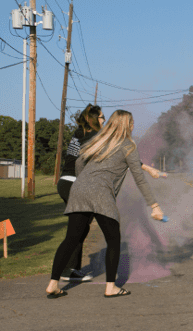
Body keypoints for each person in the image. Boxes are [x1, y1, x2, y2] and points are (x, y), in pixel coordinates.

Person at [46, 110, 164, 299]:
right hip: (100, 192)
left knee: (71, 238)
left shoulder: (99, 141)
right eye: (132, 123)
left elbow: (78, 163)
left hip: (79, 188)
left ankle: (53, 284)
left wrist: (85, 180)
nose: (133, 126)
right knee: (113, 239)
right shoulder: (128, 146)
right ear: (127, 125)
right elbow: (139, 179)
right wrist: (155, 205)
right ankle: (111, 287)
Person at [56, 104, 105, 282]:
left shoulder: (80, 132)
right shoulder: (91, 134)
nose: (104, 120)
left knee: (80, 227)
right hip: (73, 184)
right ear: (93, 119)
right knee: (77, 229)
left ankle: (71, 269)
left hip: (66, 183)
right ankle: (64, 270)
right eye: (101, 117)